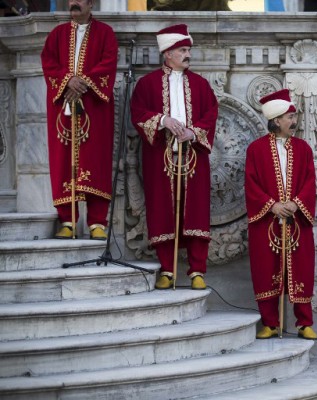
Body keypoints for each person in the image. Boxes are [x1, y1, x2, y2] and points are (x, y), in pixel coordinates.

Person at [130, 24, 218, 290]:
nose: (187, 54)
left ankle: (197, 271)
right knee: (162, 209)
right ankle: (167, 269)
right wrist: (163, 120)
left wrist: (193, 132)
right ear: (167, 53)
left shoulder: (201, 84)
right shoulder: (146, 84)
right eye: (182, 49)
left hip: (193, 156)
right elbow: (137, 113)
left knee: (196, 210)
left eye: (188, 49)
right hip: (160, 156)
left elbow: (211, 113)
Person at [244, 89, 317, 340]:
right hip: (267, 220)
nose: (294, 121)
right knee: (266, 269)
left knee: (302, 269)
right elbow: (251, 183)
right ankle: (270, 323)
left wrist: (297, 204)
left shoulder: (304, 148)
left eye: (293, 116)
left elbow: (310, 180)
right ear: (276, 121)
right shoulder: (256, 150)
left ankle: (304, 322)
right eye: (289, 117)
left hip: (297, 219)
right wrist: (272, 206)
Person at [41, 0, 118, 239]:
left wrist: (82, 82)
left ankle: (97, 223)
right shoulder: (57, 34)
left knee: (96, 159)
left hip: (94, 105)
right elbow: (49, 62)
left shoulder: (105, 33)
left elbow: (108, 62)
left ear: (91, 3)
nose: (73, 3)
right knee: (62, 159)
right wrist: (67, 81)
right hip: (62, 104)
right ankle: (67, 220)